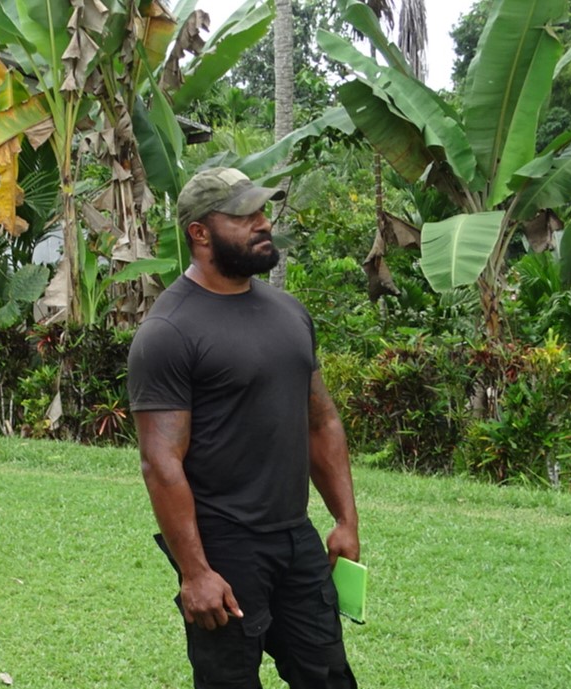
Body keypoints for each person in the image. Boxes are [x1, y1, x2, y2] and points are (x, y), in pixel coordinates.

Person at [127, 167, 361, 688]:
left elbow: (320, 419)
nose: (262, 223)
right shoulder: (168, 331)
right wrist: (195, 571)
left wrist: (345, 520)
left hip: (294, 534)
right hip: (224, 545)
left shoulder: (289, 313)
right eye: (244, 215)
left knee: (327, 675)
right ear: (200, 232)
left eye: (261, 211)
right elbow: (160, 462)